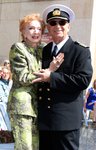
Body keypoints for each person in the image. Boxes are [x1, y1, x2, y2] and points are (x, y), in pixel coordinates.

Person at [32, 4, 93, 150]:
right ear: (48, 27)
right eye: (53, 23)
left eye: (62, 22)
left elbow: (83, 80)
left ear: (68, 26)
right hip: (44, 121)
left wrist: (51, 77)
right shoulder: (44, 51)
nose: (57, 26)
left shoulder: (80, 51)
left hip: (66, 122)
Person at [7, 13, 64, 150]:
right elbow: (22, 77)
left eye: (39, 29)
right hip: (22, 107)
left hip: (38, 107)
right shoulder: (18, 48)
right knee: (25, 147)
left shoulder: (42, 49)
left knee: (36, 146)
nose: (36, 32)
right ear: (23, 32)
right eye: (31, 28)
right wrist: (49, 71)